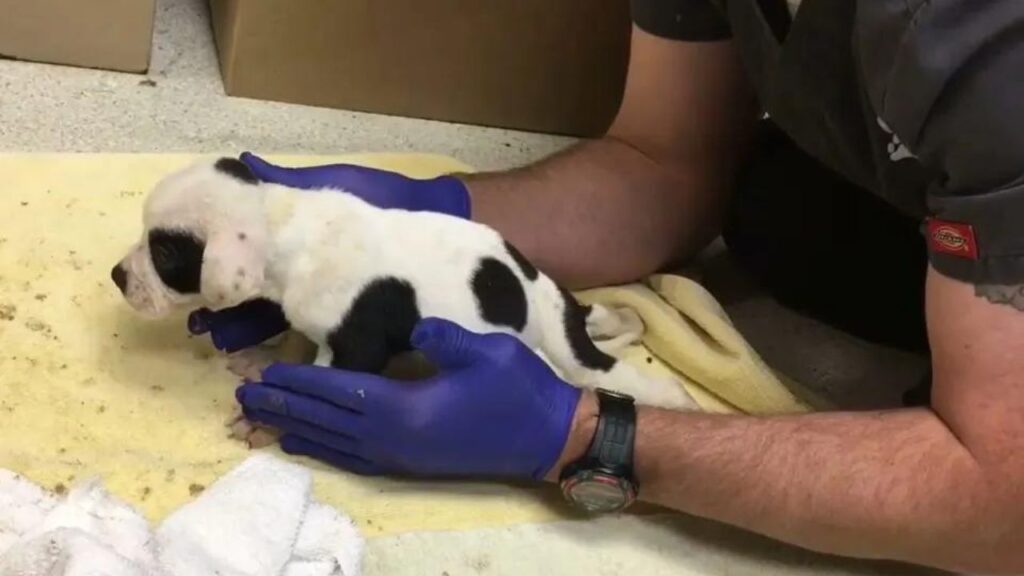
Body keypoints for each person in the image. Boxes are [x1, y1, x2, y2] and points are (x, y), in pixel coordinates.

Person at [189, 1, 1024, 573]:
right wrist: (414, 219)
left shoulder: (978, 39)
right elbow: (660, 165)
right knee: (780, 213)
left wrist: (590, 437)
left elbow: (1003, 501)